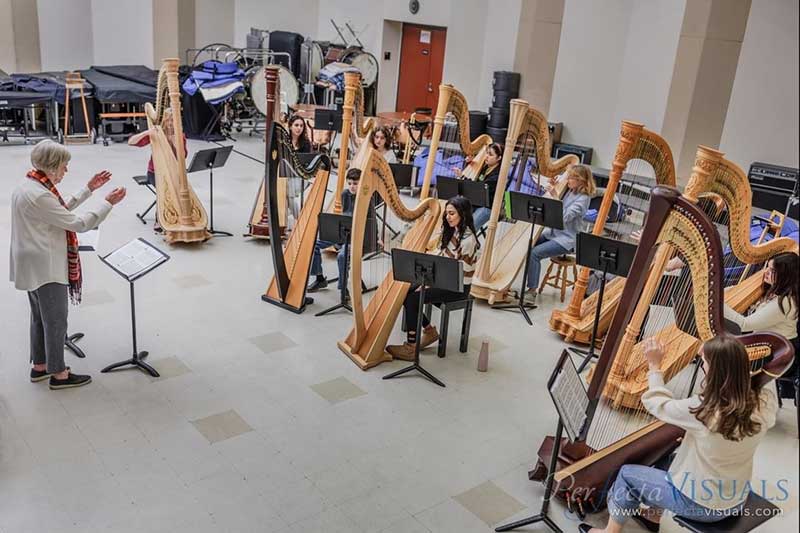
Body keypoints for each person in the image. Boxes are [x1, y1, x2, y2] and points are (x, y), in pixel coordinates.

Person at [579, 335, 779, 533]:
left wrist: (654, 366)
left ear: (716, 371)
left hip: (702, 506)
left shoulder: (704, 411)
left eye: (705, 363)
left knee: (627, 475)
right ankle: (653, 516)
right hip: (735, 497)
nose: (702, 367)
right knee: (668, 459)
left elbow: (657, 404)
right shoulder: (765, 401)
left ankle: (610, 531)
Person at [9, 140, 127, 390]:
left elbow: (57, 211)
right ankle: (59, 374)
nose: (66, 171)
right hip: (45, 265)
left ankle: (39, 366)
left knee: (39, 317)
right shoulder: (40, 194)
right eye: (64, 166)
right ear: (51, 167)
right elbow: (77, 224)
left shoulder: (30, 184)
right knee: (55, 320)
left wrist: (88, 189)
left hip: (31, 260)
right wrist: (107, 204)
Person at [386, 195, 479, 361]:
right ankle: (429, 331)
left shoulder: (468, 241)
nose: (447, 217)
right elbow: (441, 257)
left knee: (413, 299)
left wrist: (429, 284)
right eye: (446, 213)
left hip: (457, 287)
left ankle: (411, 348)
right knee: (406, 289)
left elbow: (456, 273)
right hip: (443, 279)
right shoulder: (452, 231)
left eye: (451, 214)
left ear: (463, 214)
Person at [724, 252, 799, 398]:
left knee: (723, 354)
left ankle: (731, 399)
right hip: (765, 343)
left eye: (772, 271)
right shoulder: (775, 291)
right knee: (721, 349)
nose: (766, 272)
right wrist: (730, 290)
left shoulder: (785, 301)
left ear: (785, 276)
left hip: (779, 352)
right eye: (767, 267)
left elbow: (745, 324)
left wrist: (717, 302)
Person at [525, 163, 593, 300]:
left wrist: (555, 195)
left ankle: (532, 290)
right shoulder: (570, 190)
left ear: (580, 180)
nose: (567, 180)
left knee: (534, 253)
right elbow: (558, 188)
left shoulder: (583, 199)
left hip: (567, 239)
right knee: (528, 243)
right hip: (553, 234)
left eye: (571, 178)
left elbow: (565, 217)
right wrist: (554, 183)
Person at [307, 168, 377, 294]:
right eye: (349, 183)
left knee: (342, 256)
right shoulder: (345, 194)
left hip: (357, 237)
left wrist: (377, 238)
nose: (352, 187)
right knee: (313, 244)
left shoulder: (367, 199)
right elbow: (345, 214)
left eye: (355, 184)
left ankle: (343, 289)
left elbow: (373, 222)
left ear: (361, 183)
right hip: (343, 232)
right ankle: (319, 278)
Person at [284, 115, 313, 227]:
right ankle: (292, 215)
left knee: (289, 193)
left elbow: (307, 164)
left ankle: (298, 218)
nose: (299, 128)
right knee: (286, 192)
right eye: (296, 125)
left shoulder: (305, 143)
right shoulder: (284, 141)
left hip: (300, 176)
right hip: (285, 174)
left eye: (301, 126)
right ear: (290, 126)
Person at [469, 143, 503, 230]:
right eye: (487, 153)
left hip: (487, 207)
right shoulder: (485, 168)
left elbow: (479, 188)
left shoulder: (497, 175)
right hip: (476, 202)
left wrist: (465, 179)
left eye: (490, 154)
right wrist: (469, 164)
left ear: (499, 158)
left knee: (468, 229)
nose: (487, 156)